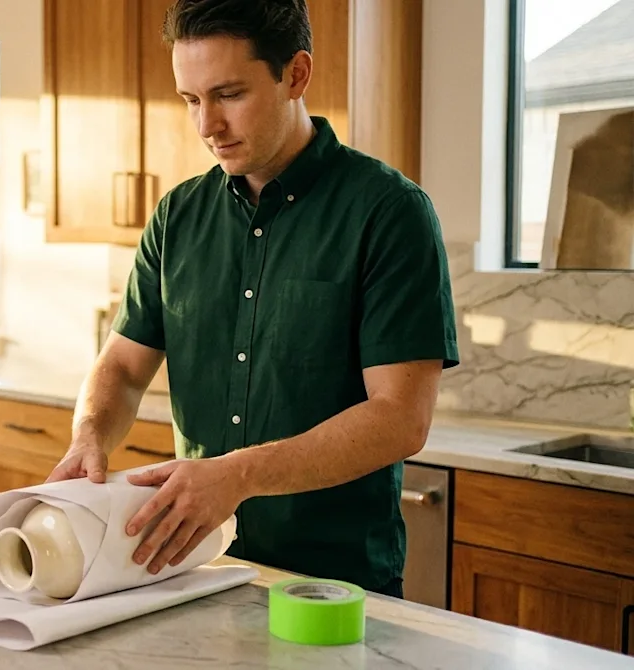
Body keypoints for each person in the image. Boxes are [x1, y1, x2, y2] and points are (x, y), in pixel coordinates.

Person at [44, 0, 458, 599]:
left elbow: (400, 419)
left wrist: (236, 475)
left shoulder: (389, 213)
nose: (206, 125)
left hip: (331, 584)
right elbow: (123, 368)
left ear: (296, 74)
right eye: (191, 100)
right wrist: (88, 435)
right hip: (196, 569)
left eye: (229, 94)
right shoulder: (177, 216)